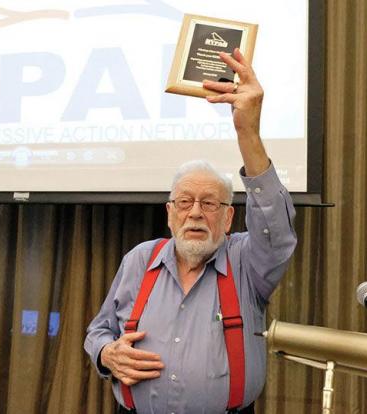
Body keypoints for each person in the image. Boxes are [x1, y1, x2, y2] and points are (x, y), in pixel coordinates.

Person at [84, 49, 297, 414]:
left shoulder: (247, 263)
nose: (195, 212)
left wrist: (248, 132)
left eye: (210, 203)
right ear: (170, 214)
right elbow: (99, 330)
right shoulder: (139, 259)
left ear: (228, 219)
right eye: (184, 202)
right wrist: (106, 353)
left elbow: (276, 228)